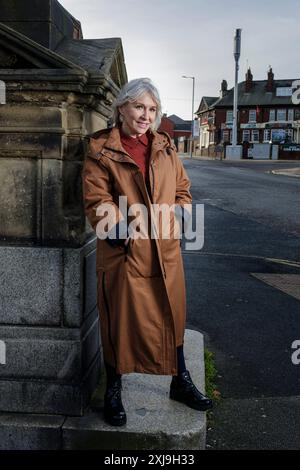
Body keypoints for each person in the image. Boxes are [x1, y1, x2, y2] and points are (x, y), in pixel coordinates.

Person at [82, 78, 213, 426]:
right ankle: (114, 387)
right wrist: (120, 232)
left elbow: (182, 189)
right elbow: (97, 200)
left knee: (173, 314)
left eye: (152, 109)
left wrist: (180, 216)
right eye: (139, 106)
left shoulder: (166, 146)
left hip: (166, 250)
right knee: (119, 322)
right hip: (126, 253)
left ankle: (179, 381)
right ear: (122, 107)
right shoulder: (101, 149)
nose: (145, 115)